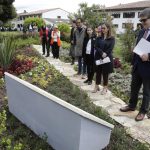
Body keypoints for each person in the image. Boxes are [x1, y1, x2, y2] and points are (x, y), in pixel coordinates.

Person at [120, 8, 150, 121]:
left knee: (146, 92)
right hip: (137, 66)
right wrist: (133, 63)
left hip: (148, 69)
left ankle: (143, 111)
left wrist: (149, 56)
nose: (142, 23)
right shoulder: (142, 31)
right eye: (141, 21)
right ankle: (132, 106)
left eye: (144, 20)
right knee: (134, 88)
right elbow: (139, 48)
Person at [93, 23, 115, 94]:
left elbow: (111, 48)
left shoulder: (112, 38)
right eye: (102, 28)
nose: (102, 29)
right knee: (98, 72)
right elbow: (96, 46)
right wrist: (102, 53)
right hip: (99, 56)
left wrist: (106, 53)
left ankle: (105, 88)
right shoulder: (99, 38)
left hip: (107, 58)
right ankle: (96, 86)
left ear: (108, 29)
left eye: (104, 28)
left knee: (105, 73)